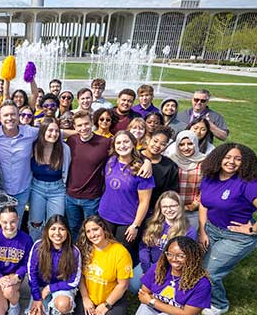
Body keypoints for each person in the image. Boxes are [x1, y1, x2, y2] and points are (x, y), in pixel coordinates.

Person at [198, 143, 257, 315]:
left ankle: (219, 304)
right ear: (218, 158)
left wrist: (253, 228)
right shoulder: (209, 177)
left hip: (235, 237)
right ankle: (202, 294)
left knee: (209, 272)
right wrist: (203, 230)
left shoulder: (248, 183)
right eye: (227, 157)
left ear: (245, 162)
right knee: (201, 266)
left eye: (238, 159)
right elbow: (203, 204)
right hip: (211, 229)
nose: (231, 162)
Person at [73, 216, 132, 315]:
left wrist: (107, 305)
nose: (92, 234)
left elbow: (123, 285)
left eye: (95, 229)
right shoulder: (84, 249)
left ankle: (116, 314)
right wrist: (85, 298)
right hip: (90, 296)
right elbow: (81, 276)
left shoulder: (120, 252)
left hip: (112, 299)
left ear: (104, 229)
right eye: (88, 231)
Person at [97, 131, 154, 264]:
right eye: (118, 142)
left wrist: (136, 225)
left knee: (120, 257)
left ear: (134, 144)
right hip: (105, 216)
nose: (122, 145)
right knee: (103, 252)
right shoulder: (110, 161)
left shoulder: (142, 170)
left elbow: (144, 202)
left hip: (127, 222)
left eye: (126, 141)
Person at [0, 101, 39, 229]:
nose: (10, 118)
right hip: (0, 190)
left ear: (18, 116)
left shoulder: (30, 132)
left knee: (16, 225)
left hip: (21, 190)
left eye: (13, 114)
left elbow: (55, 132)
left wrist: (81, 133)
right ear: (0, 118)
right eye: (6, 115)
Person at [133, 191, 196, 292]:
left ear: (180, 206)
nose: (169, 210)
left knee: (162, 290)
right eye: (165, 207)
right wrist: (147, 269)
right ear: (160, 209)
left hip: (172, 269)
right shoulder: (153, 224)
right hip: (151, 264)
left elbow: (186, 258)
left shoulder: (188, 231)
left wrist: (164, 272)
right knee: (133, 284)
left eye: (173, 206)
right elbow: (144, 247)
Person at [26, 215, 81, 315]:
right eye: (53, 229)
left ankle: (56, 306)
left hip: (62, 286)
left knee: (63, 305)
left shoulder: (74, 251)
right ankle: (47, 305)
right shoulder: (38, 246)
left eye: (62, 229)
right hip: (42, 288)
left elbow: (74, 280)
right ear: (47, 231)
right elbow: (32, 273)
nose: (57, 233)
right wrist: (37, 297)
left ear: (67, 232)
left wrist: (50, 288)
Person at [64, 111, 112, 238]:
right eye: (79, 125)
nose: (83, 128)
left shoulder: (105, 143)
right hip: (70, 196)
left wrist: (145, 161)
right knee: (73, 229)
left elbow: (126, 151)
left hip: (92, 198)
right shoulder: (71, 141)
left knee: (92, 231)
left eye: (86, 124)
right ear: (74, 127)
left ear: (92, 123)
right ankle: (77, 255)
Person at [0, 206, 32, 315]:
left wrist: (17, 276)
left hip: (14, 275)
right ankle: (4, 294)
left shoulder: (26, 239)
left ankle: (14, 305)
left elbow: (26, 263)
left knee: (8, 291)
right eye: (5, 222)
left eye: (12, 222)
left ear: (18, 219)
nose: (9, 226)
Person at [28, 117, 70, 239]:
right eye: (50, 130)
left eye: (57, 131)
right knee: (36, 222)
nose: (54, 134)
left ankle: (51, 251)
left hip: (58, 190)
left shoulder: (64, 149)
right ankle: (36, 248)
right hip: (37, 188)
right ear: (43, 131)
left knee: (55, 223)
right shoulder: (34, 147)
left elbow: (66, 172)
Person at [165, 130, 207, 229]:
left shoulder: (204, 162)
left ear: (196, 144)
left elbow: (207, 188)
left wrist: (193, 205)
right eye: (182, 144)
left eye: (190, 144)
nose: (186, 148)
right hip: (170, 209)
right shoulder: (171, 160)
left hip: (194, 210)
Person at [142, 128, 179, 210]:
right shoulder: (134, 156)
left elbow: (170, 193)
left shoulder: (170, 166)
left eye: (162, 144)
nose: (157, 145)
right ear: (148, 140)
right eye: (155, 141)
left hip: (153, 210)